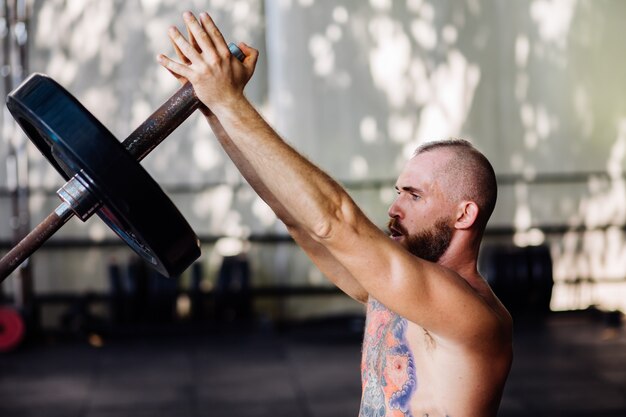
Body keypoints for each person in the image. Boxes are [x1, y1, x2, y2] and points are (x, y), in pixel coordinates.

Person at [158, 11, 513, 417]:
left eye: (414, 196)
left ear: (464, 214)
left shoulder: (472, 316)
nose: (394, 208)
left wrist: (230, 100)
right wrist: (217, 111)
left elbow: (335, 221)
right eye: (399, 192)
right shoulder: (392, 292)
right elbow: (297, 218)